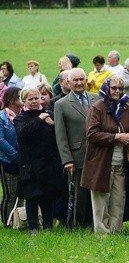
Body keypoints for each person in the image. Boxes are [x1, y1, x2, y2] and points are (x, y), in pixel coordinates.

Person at [81, 76, 129, 234]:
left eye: (119, 88)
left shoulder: (125, 108)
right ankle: (102, 232)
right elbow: (92, 134)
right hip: (101, 161)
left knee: (118, 198)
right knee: (101, 198)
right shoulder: (98, 107)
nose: (117, 91)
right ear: (106, 89)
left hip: (121, 160)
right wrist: (115, 137)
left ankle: (115, 230)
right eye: (113, 88)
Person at [14, 88, 67, 235]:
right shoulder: (21, 118)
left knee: (48, 197)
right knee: (32, 198)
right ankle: (32, 228)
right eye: (30, 99)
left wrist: (53, 123)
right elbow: (24, 132)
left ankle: (48, 227)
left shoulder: (48, 115)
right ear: (24, 101)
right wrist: (40, 119)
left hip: (48, 165)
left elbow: (59, 135)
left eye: (36, 98)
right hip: (30, 166)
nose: (34, 101)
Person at [54, 68, 98, 228]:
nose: (79, 83)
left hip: (97, 155)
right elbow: (60, 135)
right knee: (78, 195)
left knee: (97, 192)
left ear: (86, 80)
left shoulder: (97, 99)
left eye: (82, 79)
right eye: (75, 80)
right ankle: (77, 226)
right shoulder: (61, 104)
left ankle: (95, 223)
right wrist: (67, 160)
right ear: (68, 83)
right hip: (77, 156)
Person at [0, 87, 22, 225]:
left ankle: (19, 221)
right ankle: (7, 222)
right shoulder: (2, 117)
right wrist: (14, 155)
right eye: (20, 96)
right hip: (7, 160)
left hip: (21, 160)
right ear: (11, 98)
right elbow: (0, 140)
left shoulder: (22, 115)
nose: (22, 98)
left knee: (21, 195)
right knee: (10, 194)